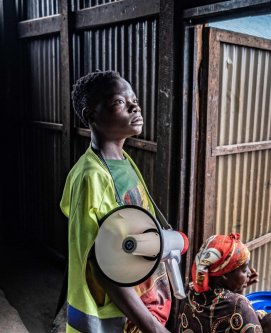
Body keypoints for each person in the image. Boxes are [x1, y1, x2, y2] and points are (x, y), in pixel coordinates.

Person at [60, 71, 172, 332]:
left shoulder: (124, 161)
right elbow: (102, 267)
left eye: (133, 99)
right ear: (91, 116)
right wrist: (153, 328)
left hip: (139, 306)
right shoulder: (91, 177)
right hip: (111, 318)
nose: (135, 106)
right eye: (119, 102)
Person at [178, 233, 271, 333]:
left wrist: (238, 289)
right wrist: (238, 297)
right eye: (244, 270)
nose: (250, 272)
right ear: (224, 276)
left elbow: (217, 316)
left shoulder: (192, 289)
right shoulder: (237, 305)